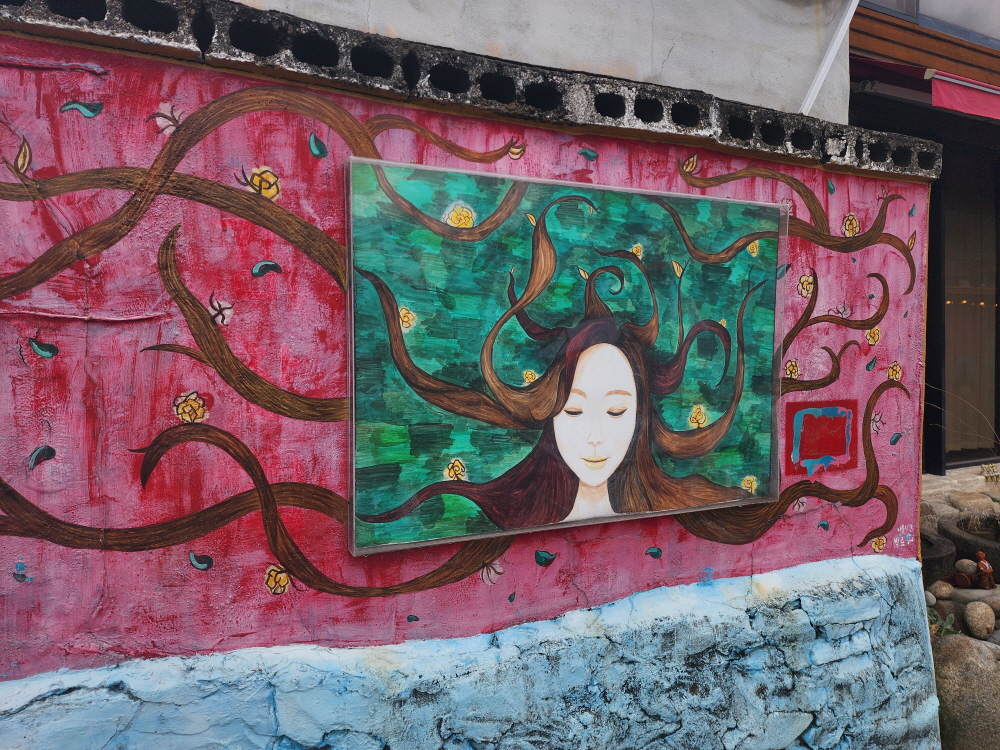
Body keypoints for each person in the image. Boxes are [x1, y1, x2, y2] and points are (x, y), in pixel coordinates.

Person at [356, 194, 764, 533]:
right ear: (550, 415)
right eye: (573, 409)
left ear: (642, 418)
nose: (595, 438)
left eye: (617, 411)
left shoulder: (683, 503)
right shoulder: (507, 517)